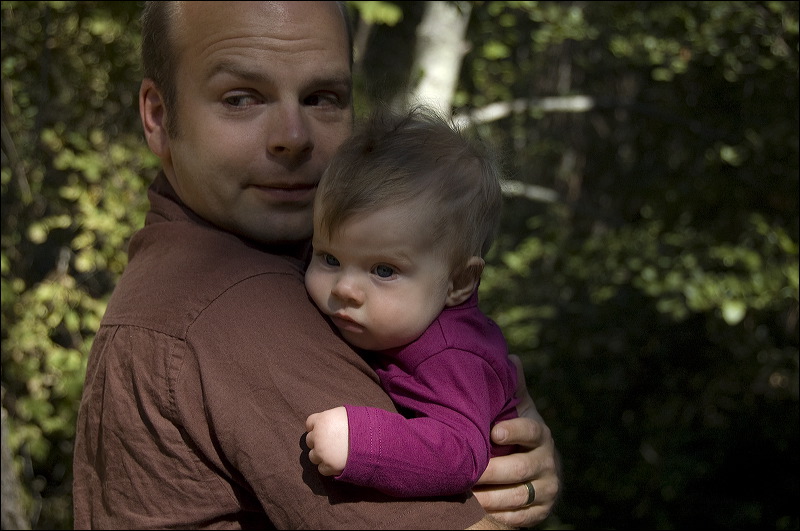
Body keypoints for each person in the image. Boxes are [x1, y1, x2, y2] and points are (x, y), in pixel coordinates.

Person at [72, 1, 559, 529]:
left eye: (322, 98)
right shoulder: (241, 304)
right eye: (241, 98)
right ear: (160, 117)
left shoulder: (193, 266)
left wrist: (507, 441)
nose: (293, 136)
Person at [304, 105, 520, 499]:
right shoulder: (400, 320)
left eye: (384, 271)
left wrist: (362, 442)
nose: (345, 289)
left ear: (459, 282)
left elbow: (460, 453)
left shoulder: (452, 356)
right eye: (330, 259)